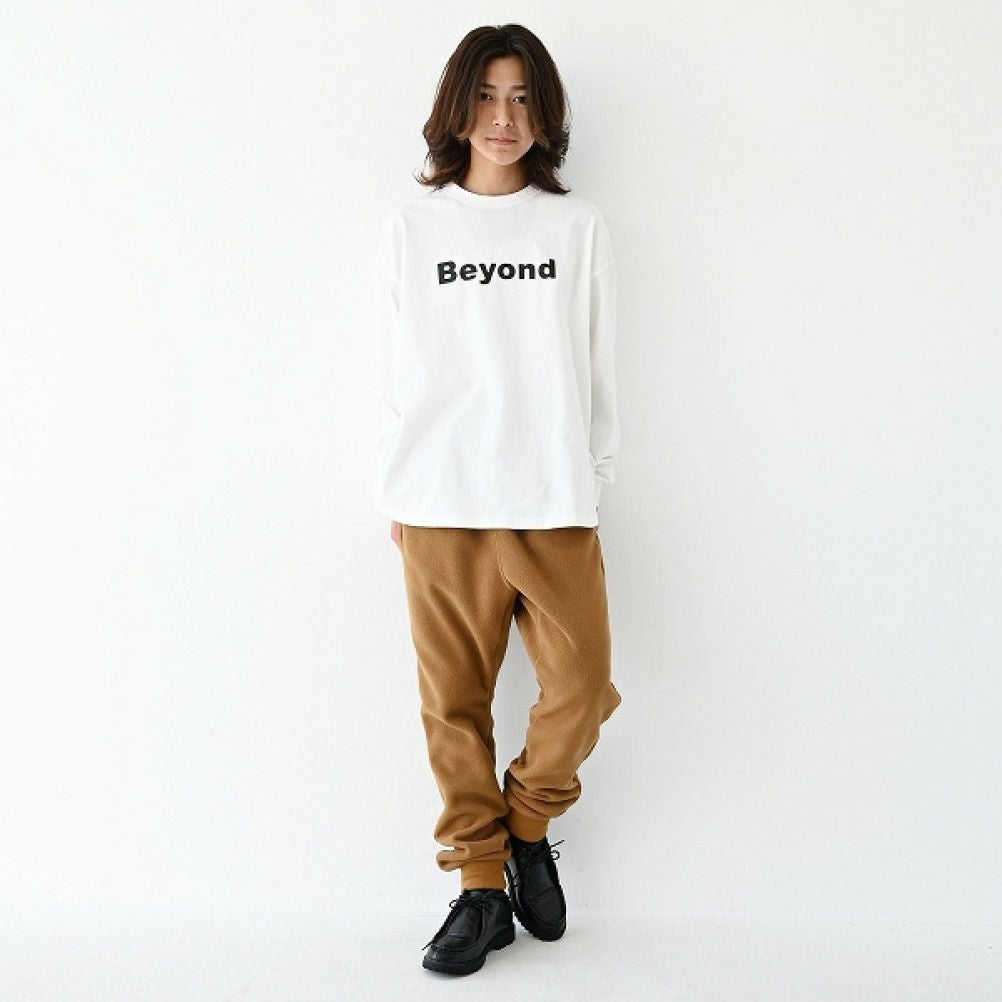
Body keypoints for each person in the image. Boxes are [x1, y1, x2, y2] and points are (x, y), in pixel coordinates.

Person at [372, 23, 623, 976]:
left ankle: (526, 822)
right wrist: (399, 484)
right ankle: (479, 889)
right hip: (440, 495)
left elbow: (599, 363)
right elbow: (395, 367)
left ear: (544, 114)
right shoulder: (413, 227)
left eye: (521, 98)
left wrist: (593, 479)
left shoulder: (575, 226)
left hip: (552, 495)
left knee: (584, 686)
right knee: (453, 703)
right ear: (457, 108)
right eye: (485, 96)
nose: (503, 117)